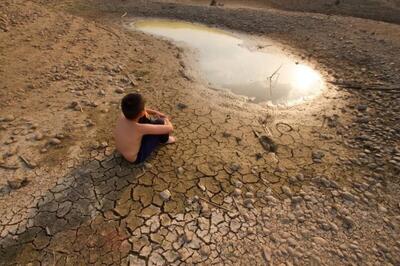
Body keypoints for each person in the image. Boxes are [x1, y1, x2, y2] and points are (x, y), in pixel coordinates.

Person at [114, 93, 175, 163]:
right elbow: (170, 128)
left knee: (144, 116)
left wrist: (155, 112)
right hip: (136, 158)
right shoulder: (140, 128)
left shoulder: (122, 115)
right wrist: (165, 119)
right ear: (141, 112)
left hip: (122, 151)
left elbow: (143, 111)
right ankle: (164, 140)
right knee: (160, 122)